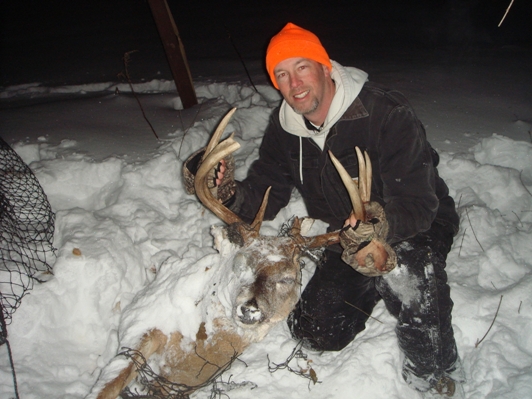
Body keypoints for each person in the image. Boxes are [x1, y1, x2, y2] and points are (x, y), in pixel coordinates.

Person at [185, 22, 465, 398]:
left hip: (415, 223)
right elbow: (268, 191)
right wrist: (229, 192)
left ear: (325, 68)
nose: (294, 83)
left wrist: (380, 227)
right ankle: (373, 282)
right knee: (313, 331)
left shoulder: (385, 112)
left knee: (412, 282)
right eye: (281, 74)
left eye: (302, 67)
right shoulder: (285, 128)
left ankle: (434, 377)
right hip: (343, 236)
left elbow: (418, 200)